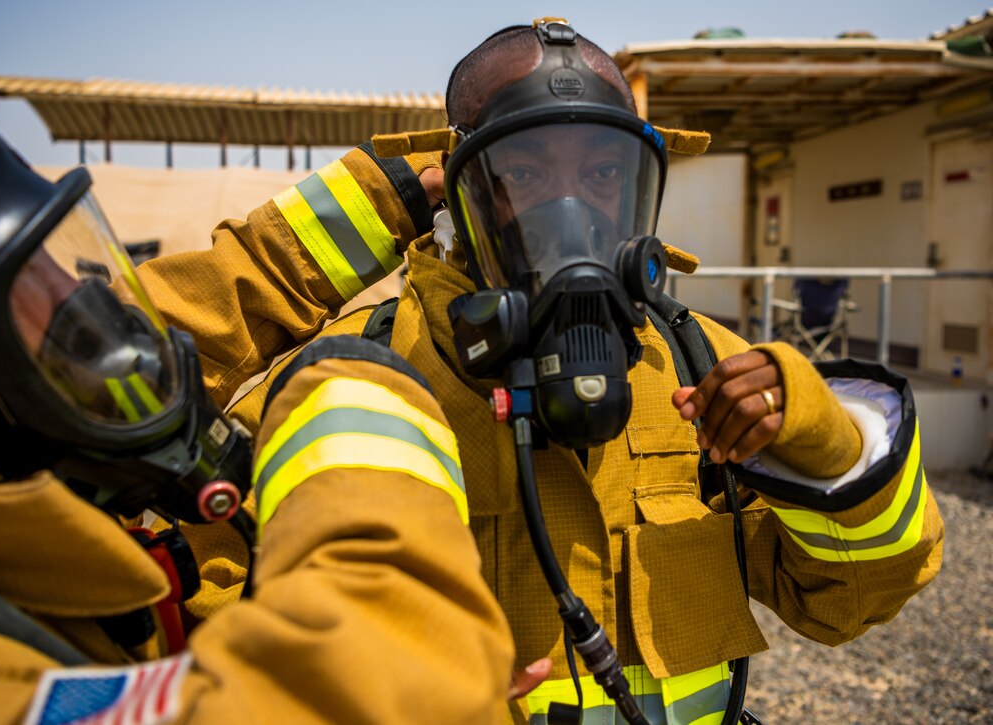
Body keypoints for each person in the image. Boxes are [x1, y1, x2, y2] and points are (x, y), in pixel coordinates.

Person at [135, 20, 944, 724]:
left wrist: (830, 446)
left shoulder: (704, 365)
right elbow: (109, 446)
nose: (572, 211)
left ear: (640, 186)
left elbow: (847, 603)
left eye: (601, 174)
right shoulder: (357, 383)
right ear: (461, 190)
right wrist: (344, 223)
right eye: (523, 174)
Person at [0, 74, 514, 724]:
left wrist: (390, 192)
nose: (81, 305)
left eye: (58, 254)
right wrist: (358, 401)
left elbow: (201, 300)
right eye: (24, 270)